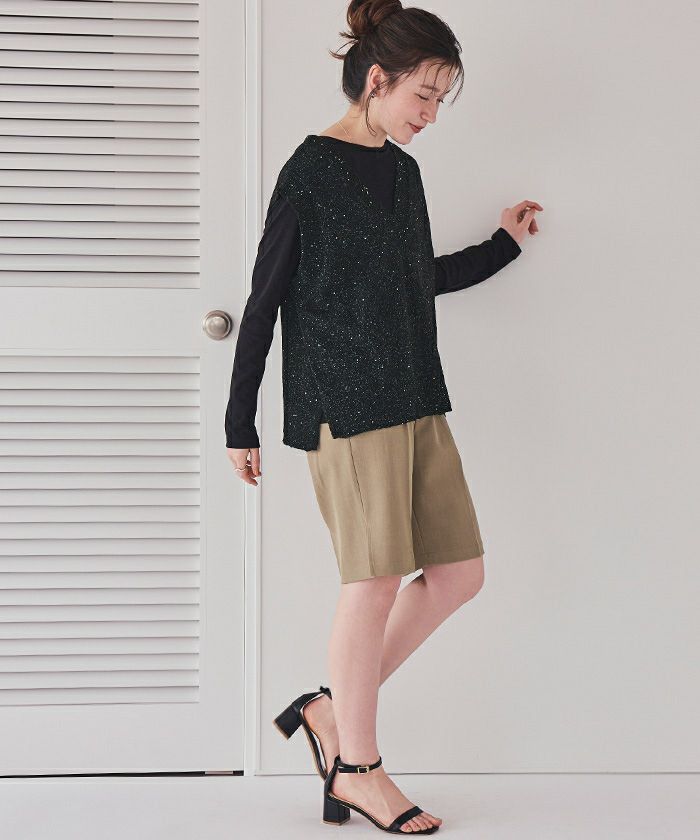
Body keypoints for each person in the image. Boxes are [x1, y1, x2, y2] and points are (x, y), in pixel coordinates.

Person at [227, 0, 542, 833]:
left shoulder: (403, 173)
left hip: (415, 396)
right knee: (370, 584)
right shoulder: (309, 170)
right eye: (423, 96)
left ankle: (328, 712)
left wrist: (503, 246)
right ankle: (358, 769)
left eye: (440, 100)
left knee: (459, 575)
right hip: (345, 404)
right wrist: (238, 421)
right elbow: (263, 300)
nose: (431, 115)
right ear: (378, 80)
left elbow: (413, 279)